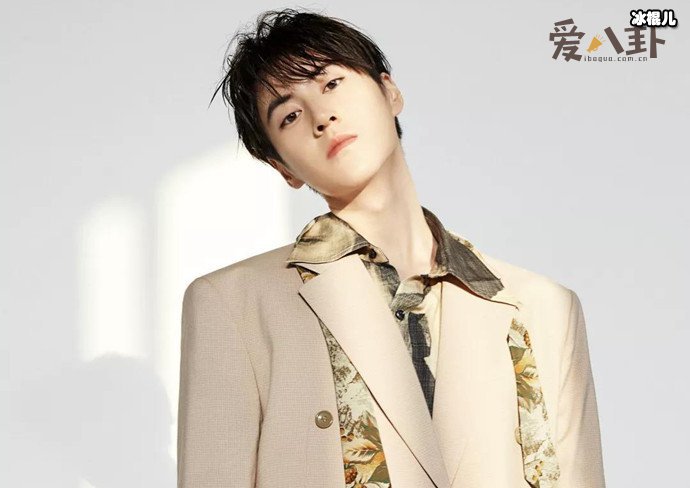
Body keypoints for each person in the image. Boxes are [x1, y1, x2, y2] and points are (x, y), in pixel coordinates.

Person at [176, 7, 606, 488]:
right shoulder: (233, 305)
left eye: (331, 83)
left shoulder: (544, 307)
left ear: (390, 91)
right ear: (283, 168)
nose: (322, 117)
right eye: (290, 115)